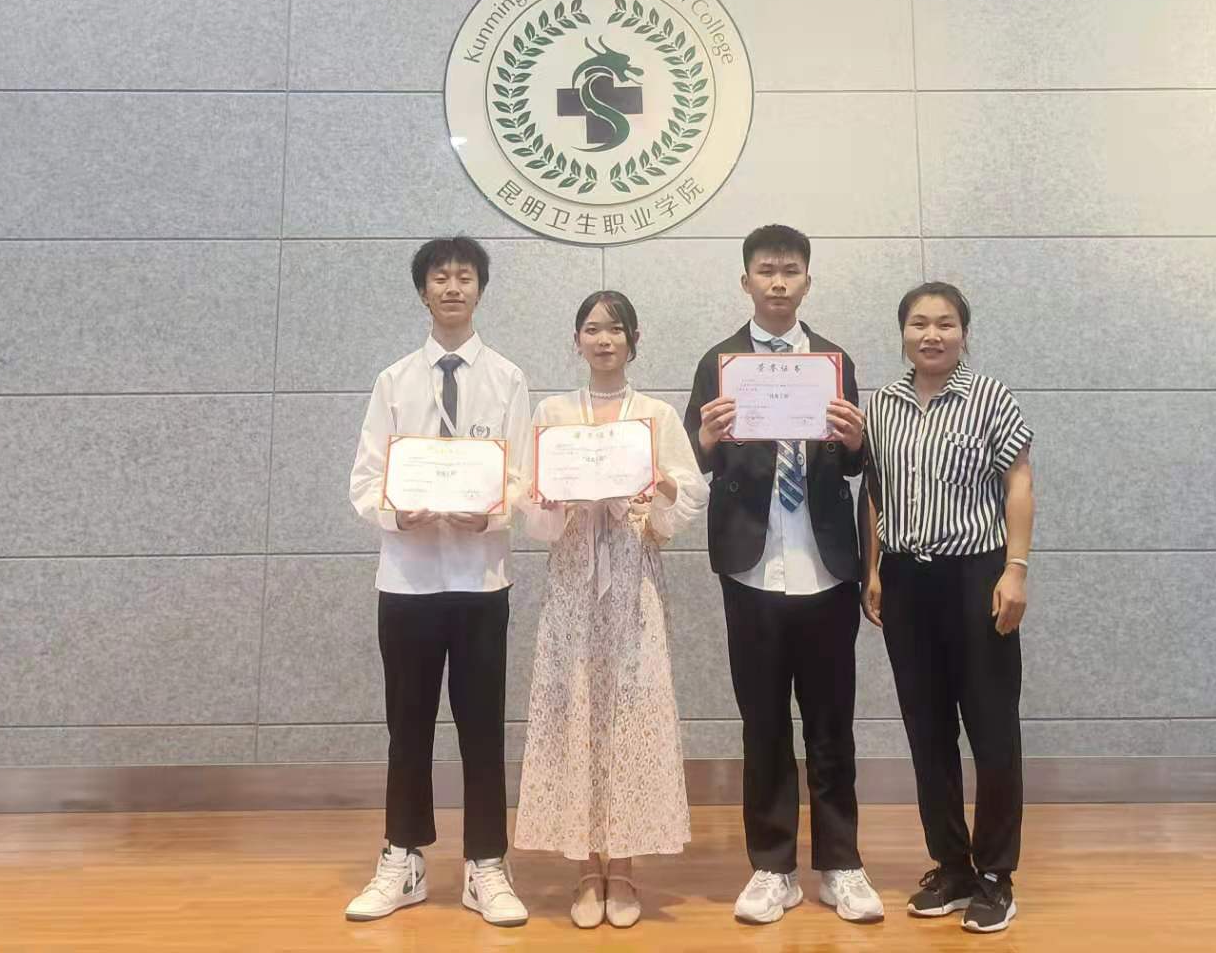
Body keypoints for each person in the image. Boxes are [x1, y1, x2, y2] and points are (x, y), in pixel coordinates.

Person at [682, 224, 883, 926]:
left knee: (831, 724)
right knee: (763, 725)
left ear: (806, 282)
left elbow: (856, 465)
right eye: (765, 270)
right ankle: (772, 868)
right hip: (752, 567)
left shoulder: (833, 360)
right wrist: (705, 438)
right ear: (745, 282)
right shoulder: (719, 363)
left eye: (789, 270)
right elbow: (692, 462)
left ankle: (841, 865)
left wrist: (856, 441)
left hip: (825, 567)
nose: (777, 281)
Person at [344, 236, 532, 928]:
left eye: (465, 277)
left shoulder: (508, 378)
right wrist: (398, 511)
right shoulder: (393, 381)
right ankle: (404, 857)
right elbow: (365, 479)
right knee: (408, 725)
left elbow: (522, 475)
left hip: (480, 578)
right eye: (440, 277)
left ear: (480, 289)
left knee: (482, 725)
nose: (453, 287)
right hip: (408, 578)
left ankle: (487, 863)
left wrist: (494, 509)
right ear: (423, 291)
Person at [514, 291, 707, 929]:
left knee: (631, 712)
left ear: (633, 340)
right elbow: (533, 511)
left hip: (631, 579)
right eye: (592, 329)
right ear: (576, 340)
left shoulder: (654, 414)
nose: (604, 340)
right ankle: (582, 867)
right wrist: (550, 500)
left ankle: (621, 866)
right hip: (572, 583)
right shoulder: (552, 413)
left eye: (616, 329)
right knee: (575, 709)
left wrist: (663, 484)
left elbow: (689, 496)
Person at [861, 280, 1034, 934]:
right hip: (906, 579)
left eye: (944, 323)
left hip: (976, 576)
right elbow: (875, 492)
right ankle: (952, 866)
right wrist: (874, 568)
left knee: (991, 729)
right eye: (918, 323)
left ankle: (996, 874)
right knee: (926, 730)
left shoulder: (990, 397)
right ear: (902, 332)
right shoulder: (882, 405)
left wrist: (1015, 569)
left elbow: (1018, 483)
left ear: (963, 332)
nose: (930, 334)